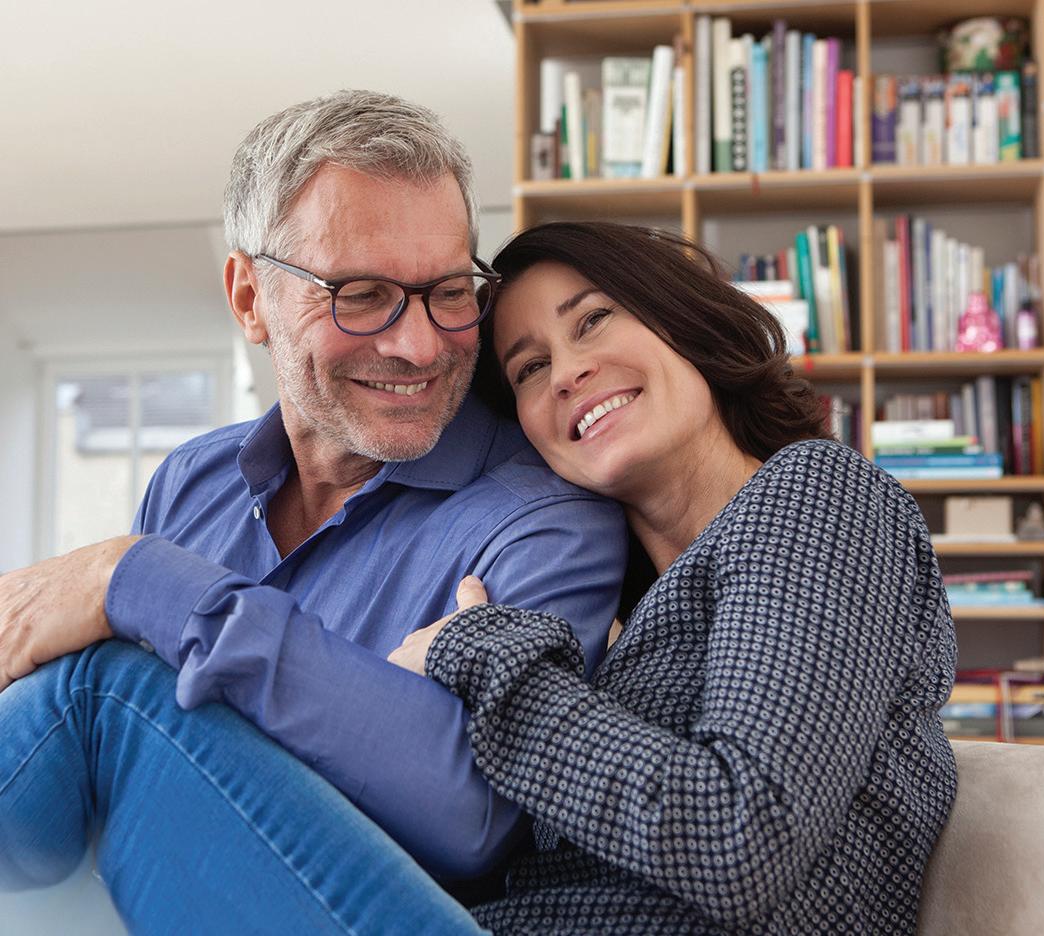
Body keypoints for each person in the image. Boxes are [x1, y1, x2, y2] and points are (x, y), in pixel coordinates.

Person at [0, 93, 627, 931]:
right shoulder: (190, 481)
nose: (419, 345)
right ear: (249, 297)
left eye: (449, 291)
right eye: (361, 295)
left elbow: (474, 816)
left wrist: (144, 582)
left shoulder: (545, 519)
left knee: (100, 691)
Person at [387, 220, 959, 934]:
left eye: (592, 320)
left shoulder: (818, 493)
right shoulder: (615, 625)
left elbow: (743, 839)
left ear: (682, 320)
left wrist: (485, 659)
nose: (565, 374)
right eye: (529, 368)